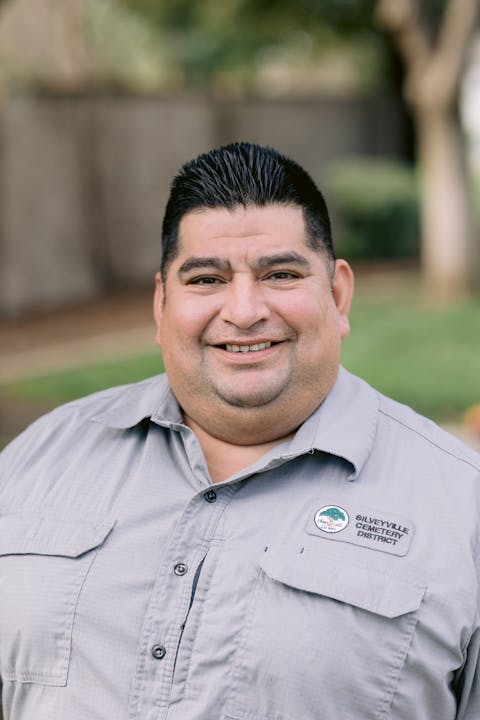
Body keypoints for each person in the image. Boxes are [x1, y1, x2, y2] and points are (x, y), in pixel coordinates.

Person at [0, 142, 479, 720]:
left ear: (338, 294)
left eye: (280, 274)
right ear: (161, 303)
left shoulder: (461, 509)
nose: (245, 310)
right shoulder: (34, 461)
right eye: (206, 279)